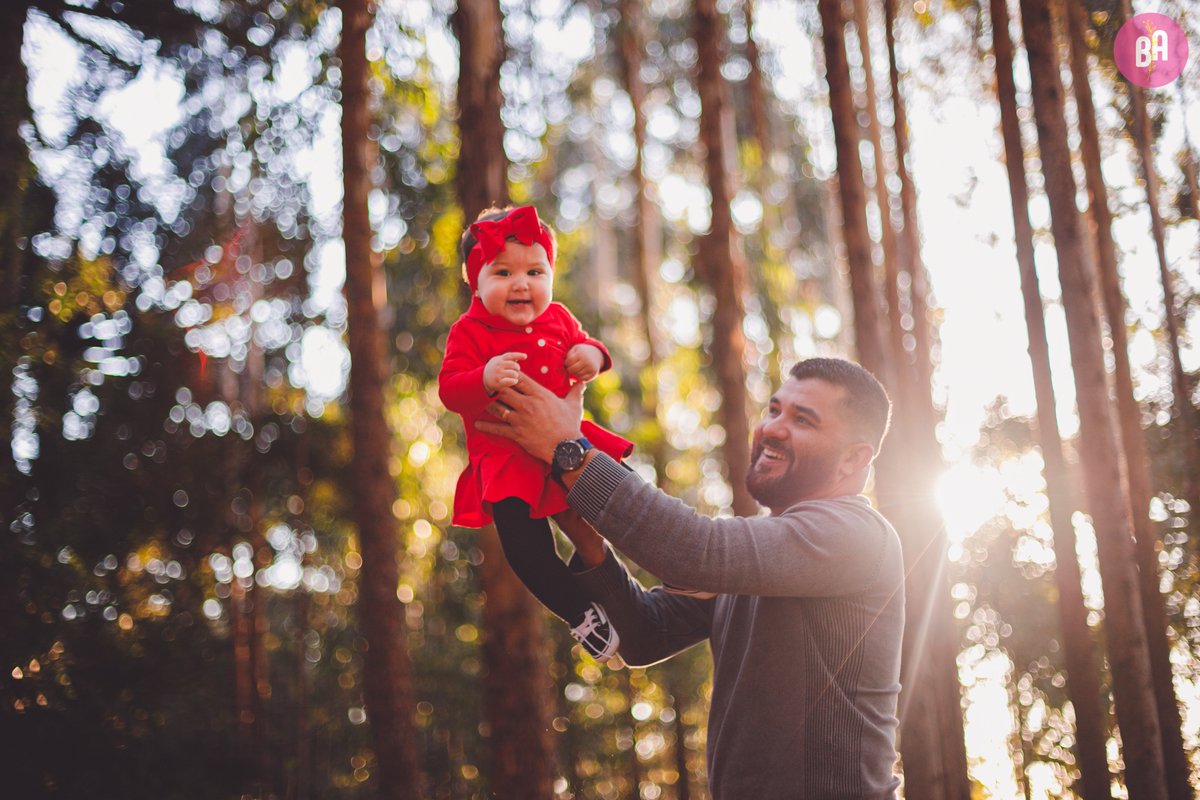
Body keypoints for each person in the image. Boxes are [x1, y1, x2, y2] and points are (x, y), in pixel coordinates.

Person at [477, 357, 905, 799]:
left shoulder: (856, 536)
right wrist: (588, 542)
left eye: (803, 420)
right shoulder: (764, 551)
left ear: (854, 458)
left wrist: (569, 450)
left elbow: (696, 550)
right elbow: (647, 634)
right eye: (774, 410)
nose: (774, 428)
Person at [437, 205, 632, 662]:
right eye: (503, 272)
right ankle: (580, 613)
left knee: (621, 500)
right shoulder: (469, 331)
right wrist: (483, 377)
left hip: (571, 443)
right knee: (525, 552)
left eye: (535, 271)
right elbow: (449, 388)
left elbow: (590, 344)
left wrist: (592, 355)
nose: (521, 283)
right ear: (475, 281)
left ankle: (623, 574)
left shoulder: (560, 318)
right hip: (507, 461)